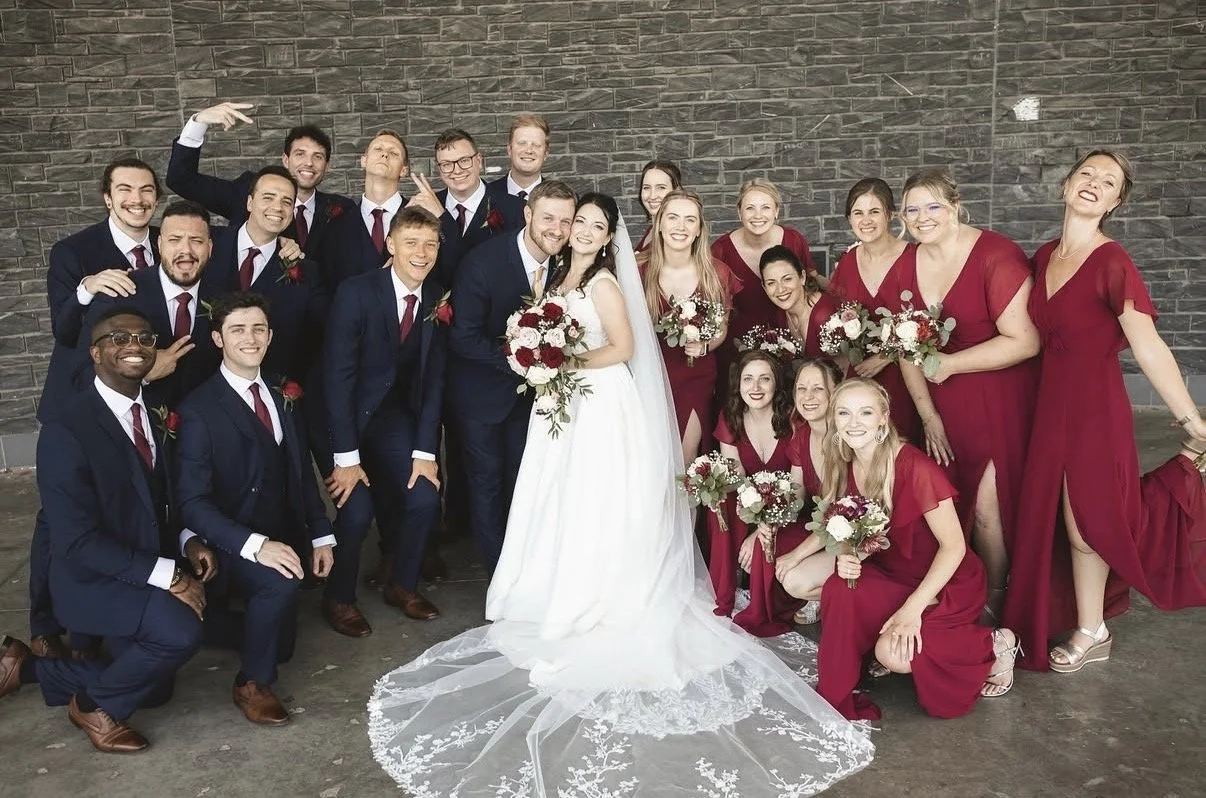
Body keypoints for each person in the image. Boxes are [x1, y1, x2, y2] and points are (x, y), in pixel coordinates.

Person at [366, 195, 874, 795]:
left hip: (599, 403)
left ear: (608, 236)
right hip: (564, 404)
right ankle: (556, 586)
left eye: (594, 226)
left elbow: (626, 349)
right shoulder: (560, 275)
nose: (581, 231)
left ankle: (602, 593)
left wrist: (562, 357)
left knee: (597, 499)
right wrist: (542, 358)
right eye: (577, 222)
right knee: (560, 501)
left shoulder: (605, 280)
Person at [1002, 150, 1206, 672]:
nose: (1094, 183)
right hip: (1048, 406)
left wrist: (1191, 418)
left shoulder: (1112, 261)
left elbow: (1148, 344)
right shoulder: (1044, 256)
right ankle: (1080, 621)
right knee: (1054, 518)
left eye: (1108, 181)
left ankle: (1093, 628)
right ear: (1066, 185)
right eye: (1087, 174)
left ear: (1116, 201)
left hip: (1095, 409)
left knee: (1087, 521)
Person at [1, 308, 207, 753]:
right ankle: (93, 705)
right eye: (118, 338)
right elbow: (74, 540)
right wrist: (168, 576)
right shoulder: (66, 429)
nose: (134, 345)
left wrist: (190, 540)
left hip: (139, 564)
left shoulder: (154, 411)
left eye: (144, 338)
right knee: (179, 631)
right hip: (90, 580)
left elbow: (162, 498)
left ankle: (30, 668)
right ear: (94, 353)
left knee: (156, 689)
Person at [816, 379, 1019, 721]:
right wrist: (849, 555)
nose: (854, 423)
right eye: (844, 413)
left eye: (865, 412)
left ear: (884, 417)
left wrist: (912, 609)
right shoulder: (844, 464)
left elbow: (953, 548)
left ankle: (995, 642)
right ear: (834, 420)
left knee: (893, 655)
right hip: (893, 572)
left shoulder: (915, 468)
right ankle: (836, 692)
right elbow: (862, 531)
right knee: (838, 587)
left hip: (945, 581)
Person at [175, 292, 335, 724]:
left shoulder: (284, 390)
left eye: (258, 328)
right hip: (231, 540)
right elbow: (191, 502)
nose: (250, 338)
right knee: (278, 585)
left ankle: (220, 627)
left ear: (270, 335)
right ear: (218, 339)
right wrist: (254, 545)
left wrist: (321, 532)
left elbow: (300, 470)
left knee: (284, 643)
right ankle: (252, 681)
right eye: (238, 330)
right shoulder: (198, 409)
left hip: (283, 532)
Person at [896, 169, 1040, 623]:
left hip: (997, 398)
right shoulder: (908, 262)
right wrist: (928, 416)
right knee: (948, 505)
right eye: (913, 209)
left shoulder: (995, 256)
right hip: (943, 405)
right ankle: (963, 585)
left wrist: (951, 364)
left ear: (956, 205)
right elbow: (903, 345)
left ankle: (997, 597)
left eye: (933, 206)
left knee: (987, 511)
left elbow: (1024, 341)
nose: (923, 217)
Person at [32, 157, 162, 659]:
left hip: (139, 403)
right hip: (79, 407)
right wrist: (86, 289)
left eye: (147, 190)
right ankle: (46, 623)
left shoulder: (166, 246)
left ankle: (127, 596)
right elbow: (64, 332)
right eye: (125, 189)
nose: (137, 199)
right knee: (59, 520)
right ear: (107, 197)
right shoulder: (75, 251)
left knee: (135, 502)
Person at [321, 208, 449, 636]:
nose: (422, 252)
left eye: (430, 244)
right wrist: (346, 456)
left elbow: (434, 382)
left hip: (395, 419)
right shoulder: (355, 293)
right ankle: (339, 598)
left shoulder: (438, 299)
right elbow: (337, 378)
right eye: (411, 242)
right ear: (390, 245)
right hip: (345, 418)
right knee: (355, 511)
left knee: (424, 497)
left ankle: (402, 583)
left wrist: (426, 452)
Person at [447, 180, 577, 575]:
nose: (556, 228)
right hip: (482, 400)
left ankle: (530, 570)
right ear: (528, 214)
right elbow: (463, 337)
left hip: (537, 404)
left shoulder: (568, 266)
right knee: (487, 488)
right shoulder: (483, 263)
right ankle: (499, 579)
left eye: (565, 221)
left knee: (527, 485)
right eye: (548, 218)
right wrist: (524, 362)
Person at [76, 200, 225, 409]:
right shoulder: (121, 293)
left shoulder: (224, 300)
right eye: (175, 240)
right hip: (137, 428)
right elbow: (83, 373)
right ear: (160, 244)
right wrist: (143, 374)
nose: (186, 250)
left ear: (209, 248)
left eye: (196, 240)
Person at [167, 101, 353, 258]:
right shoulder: (247, 190)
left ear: (327, 166)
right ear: (285, 159)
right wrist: (198, 122)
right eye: (300, 154)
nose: (309, 163)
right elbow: (181, 179)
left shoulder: (343, 209)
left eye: (318, 157)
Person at [642, 189, 740, 463]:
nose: (680, 227)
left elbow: (721, 327)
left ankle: (685, 508)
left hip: (696, 374)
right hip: (651, 375)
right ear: (659, 223)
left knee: (685, 456)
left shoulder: (716, 273)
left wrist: (706, 344)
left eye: (689, 220)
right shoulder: (640, 271)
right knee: (654, 457)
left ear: (699, 230)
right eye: (672, 217)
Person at [208, 166, 328, 384]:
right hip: (203, 386)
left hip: (273, 390)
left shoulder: (305, 271)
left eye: (286, 202)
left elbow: (327, 331)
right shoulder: (207, 244)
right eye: (268, 197)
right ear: (249, 203)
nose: (277, 207)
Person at [705, 350, 796, 635]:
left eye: (764, 379)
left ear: (776, 384)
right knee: (720, 502)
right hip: (750, 501)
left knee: (764, 537)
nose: (755, 388)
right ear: (738, 385)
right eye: (748, 379)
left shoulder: (793, 418)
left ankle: (761, 605)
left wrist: (760, 533)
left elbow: (797, 487)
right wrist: (752, 523)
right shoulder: (731, 416)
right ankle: (724, 595)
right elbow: (738, 480)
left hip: (790, 504)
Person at [828, 178, 921, 441]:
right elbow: (840, 317)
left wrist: (885, 357)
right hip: (861, 378)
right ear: (849, 219)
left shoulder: (915, 257)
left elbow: (927, 322)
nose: (865, 220)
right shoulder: (847, 263)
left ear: (890, 214)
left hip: (906, 376)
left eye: (874, 211)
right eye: (858, 212)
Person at [407, 128, 526, 288]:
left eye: (464, 160)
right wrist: (403, 215)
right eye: (447, 164)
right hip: (436, 308)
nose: (456, 170)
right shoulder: (424, 207)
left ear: (479, 160)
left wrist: (443, 217)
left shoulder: (516, 209)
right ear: (439, 169)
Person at [713, 177, 824, 348]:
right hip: (739, 345)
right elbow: (715, 306)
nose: (758, 215)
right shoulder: (721, 251)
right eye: (750, 208)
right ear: (739, 212)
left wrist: (844, 297)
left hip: (790, 340)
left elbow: (813, 280)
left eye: (765, 207)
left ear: (776, 211)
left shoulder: (793, 240)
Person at [775, 357, 845, 625]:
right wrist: (764, 518)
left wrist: (797, 555)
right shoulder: (801, 435)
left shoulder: (847, 437)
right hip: (831, 530)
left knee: (794, 578)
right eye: (802, 389)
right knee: (770, 543)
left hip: (860, 535)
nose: (808, 396)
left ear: (835, 392)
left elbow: (837, 515)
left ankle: (847, 599)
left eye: (818, 388)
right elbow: (795, 496)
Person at [318, 129, 412, 289]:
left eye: (394, 153)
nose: (385, 155)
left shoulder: (418, 217)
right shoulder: (336, 226)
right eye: (378, 149)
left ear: (404, 170)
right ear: (363, 161)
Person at [760, 244, 835, 357]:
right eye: (771, 283)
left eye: (787, 279)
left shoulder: (824, 315)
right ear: (764, 287)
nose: (780, 289)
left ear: (802, 277)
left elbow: (843, 369)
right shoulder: (779, 316)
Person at [485, 113, 549, 201]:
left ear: (546, 153)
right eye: (522, 143)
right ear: (509, 149)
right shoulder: (486, 195)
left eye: (536, 145)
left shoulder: (563, 200)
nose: (529, 150)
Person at [633, 159, 680, 252]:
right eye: (646, 187)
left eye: (661, 188)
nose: (652, 196)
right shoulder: (652, 229)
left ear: (676, 190)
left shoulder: (676, 234)